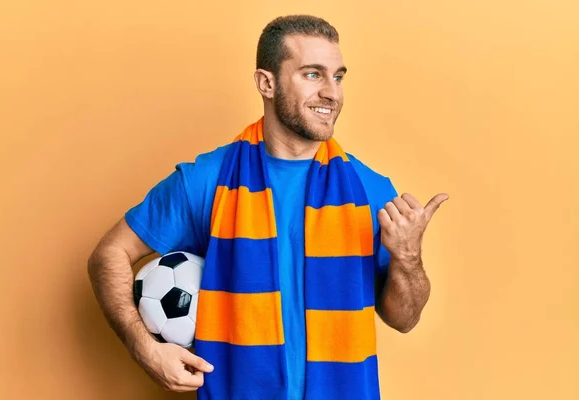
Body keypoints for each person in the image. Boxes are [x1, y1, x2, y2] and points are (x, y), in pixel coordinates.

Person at [88, 14, 448, 400]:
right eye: (313, 74)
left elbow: (404, 319)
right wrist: (144, 348)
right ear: (267, 83)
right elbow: (109, 254)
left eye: (338, 76)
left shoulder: (370, 190)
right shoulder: (206, 180)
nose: (333, 93)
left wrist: (407, 257)